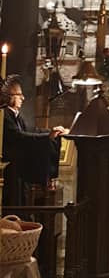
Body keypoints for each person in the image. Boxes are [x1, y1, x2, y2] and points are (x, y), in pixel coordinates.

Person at [1, 75, 68, 206]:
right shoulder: (5, 115)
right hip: (9, 169)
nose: (23, 98)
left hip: (17, 168)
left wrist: (52, 131)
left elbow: (31, 131)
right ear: (9, 96)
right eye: (19, 95)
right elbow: (19, 137)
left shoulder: (15, 116)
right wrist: (48, 136)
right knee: (13, 202)